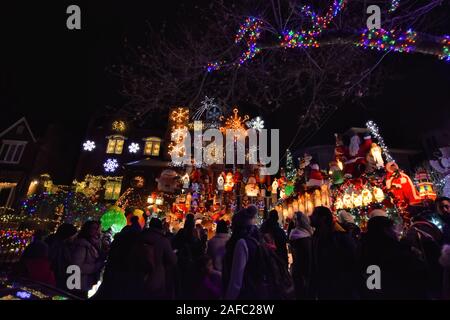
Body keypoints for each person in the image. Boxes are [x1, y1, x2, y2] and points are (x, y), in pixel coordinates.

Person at [359, 215, 427, 299]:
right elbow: (418, 275)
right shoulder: (394, 251)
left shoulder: (365, 249)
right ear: (385, 230)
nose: (396, 232)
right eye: (392, 228)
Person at [309, 206, 357, 300]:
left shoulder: (339, 235)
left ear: (323, 218)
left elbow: (352, 260)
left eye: (314, 214)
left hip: (340, 287)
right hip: (324, 286)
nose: (310, 217)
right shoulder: (317, 236)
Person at [223, 206, 265, 299]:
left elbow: (236, 280)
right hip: (256, 291)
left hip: (245, 293)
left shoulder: (241, 243)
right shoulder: (258, 240)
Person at [141, 218, 178, 299]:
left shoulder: (141, 237)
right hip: (156, 276)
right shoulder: (162, 240)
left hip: (139, 275)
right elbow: (173, 260)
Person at [70, 221, 106, 298]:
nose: (96, 231)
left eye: (97, 228)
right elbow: (76, 266)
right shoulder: (82, 245)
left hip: (86, 283)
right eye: (94, 228)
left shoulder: (95, 243)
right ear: (87, 229)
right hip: (79, 284)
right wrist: (96, 266)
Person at [172, 213, 204, 298]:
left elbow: (174, 243)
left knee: (181, 282)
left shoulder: (182, 232)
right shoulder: (194, 233)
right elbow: (199, 248)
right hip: (191, 260)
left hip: (182, 260)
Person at [289, 212, 314, 299]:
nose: (295, 222)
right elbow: (308, 257)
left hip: (298, 269)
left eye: (295, 220)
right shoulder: (303, 236)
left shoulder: (296, 234)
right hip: (304, 270)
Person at [48, 223, 78, 290]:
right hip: (57, 283)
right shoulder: (57, 247)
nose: (75, 238)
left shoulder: (62, 245)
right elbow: (58, 267)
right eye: (74, 236)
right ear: (68, 235)